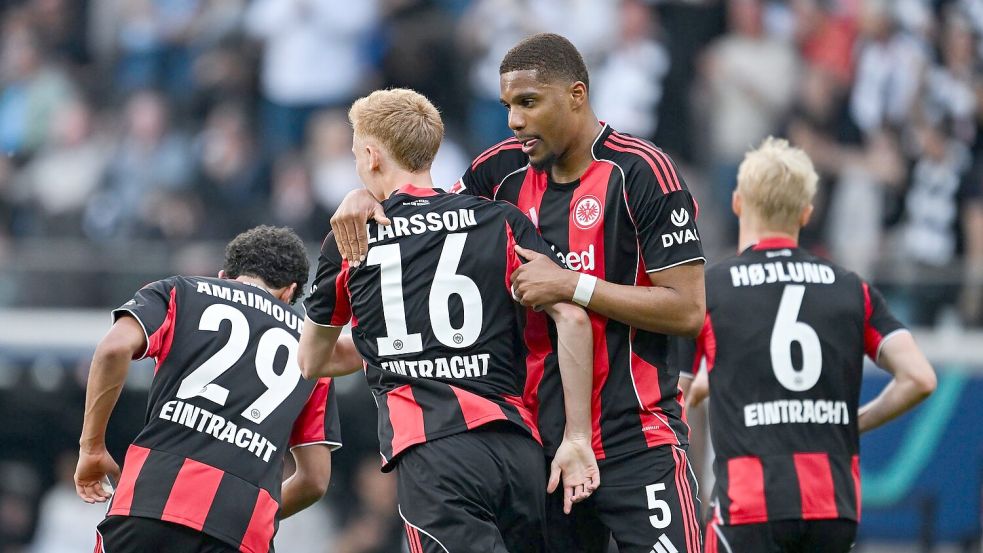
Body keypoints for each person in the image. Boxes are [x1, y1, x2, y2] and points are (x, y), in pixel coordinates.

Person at [330, 33, 706, 553]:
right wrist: (364, 192)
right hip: (540, 448)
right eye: (507, 105)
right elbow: (423, 217)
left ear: (576, 95)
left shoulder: (642, 171)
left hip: (637, 437)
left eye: (528, 103)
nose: (514, 121)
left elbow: (687, 309)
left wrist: (574, 284)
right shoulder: (497, 171)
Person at [298, 87, 599, 553]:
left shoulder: (352, 238)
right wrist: (577, 438)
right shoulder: (502, 220)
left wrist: (391, 345)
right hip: (517, 449)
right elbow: (573, 320)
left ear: (373, 156)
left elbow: (313, 360)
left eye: (357, 154)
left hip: (434, 452)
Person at [675, 137, 937, 552]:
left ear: (738, 202)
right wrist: (855, 422)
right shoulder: (853, 288)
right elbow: (919, 378)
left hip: (748, 505)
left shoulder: (712, 291)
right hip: (832, 504)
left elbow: (677, 400)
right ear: (807, 213)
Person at [75, 225, 342, 553]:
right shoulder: (312, 348)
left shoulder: (181, 291)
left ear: (223, 276)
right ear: (290, 292)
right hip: (241, 531)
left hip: (149, 503)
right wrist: (246, 513)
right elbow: (314, 480)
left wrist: (92, 448)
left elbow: (112, 349)